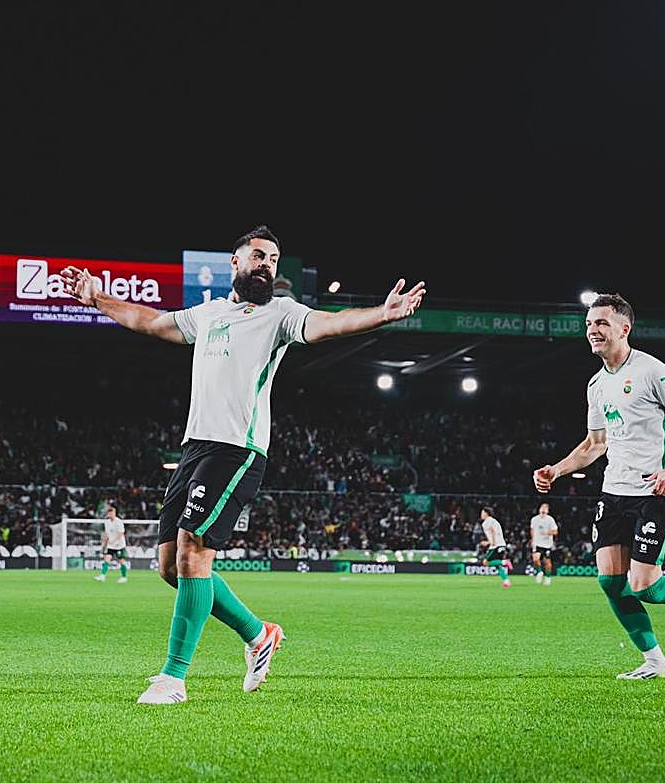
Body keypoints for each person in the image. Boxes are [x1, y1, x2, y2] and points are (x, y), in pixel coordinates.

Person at [60, 226, 425, 704]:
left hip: (238, 448)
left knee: (193, 552)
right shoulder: (209, 314)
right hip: (194, 448)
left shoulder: (281, 314)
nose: (266, 264)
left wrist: (381, 314)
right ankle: (259, 634)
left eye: (273, 259)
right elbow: (150, 321)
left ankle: (174, 678)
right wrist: (96, 297)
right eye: (258, 256)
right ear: (235, 263)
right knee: (170, 567)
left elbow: (329, 323)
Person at [533, 293, 665, 680]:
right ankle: (655, 662)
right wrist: (556, 470)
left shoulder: (652, 371)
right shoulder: (596, 384)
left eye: (602, 323)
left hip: (653, 491)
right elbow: (595, 444)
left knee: (644, 586)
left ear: (624, 328)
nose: (593, 330)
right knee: (610, 581)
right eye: (590, 323)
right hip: (614, 491)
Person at [477, 506, 512, 589]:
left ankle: (505, 562)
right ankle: (506, 582)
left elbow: (492, 531)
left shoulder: (486, 522)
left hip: (495, 546)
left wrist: (490, 542)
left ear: (486, 513)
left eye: (482, 513)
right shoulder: (494, 521)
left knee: (485, 562)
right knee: (498, 565)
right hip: (501, 544)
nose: (481, 514)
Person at [94, 505, 129, 583]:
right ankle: (102, 576)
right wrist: (104, 542)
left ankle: (124, 577)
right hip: (111, 545)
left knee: (121, 561)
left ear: (114, 513)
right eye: (109, 514)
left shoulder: (119, 521)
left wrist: (114, 541)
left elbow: (121, 533)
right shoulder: (107, 522)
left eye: (111, 513)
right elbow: (107, 534)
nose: (110, 515)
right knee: (107, 558)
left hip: (119, 545)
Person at [528, 502, 558, 585]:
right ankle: (539, 572)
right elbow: (532, 529)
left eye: (545, 508)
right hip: (537, 543)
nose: (543, 509)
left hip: (547, 544)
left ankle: (548, 577)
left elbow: (555, 532)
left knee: (547, 562)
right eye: (542, 508)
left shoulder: (550, 520)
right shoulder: (534, 519)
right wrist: (532, 539)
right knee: (535, 559)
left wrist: (547, 533)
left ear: (548, 511)